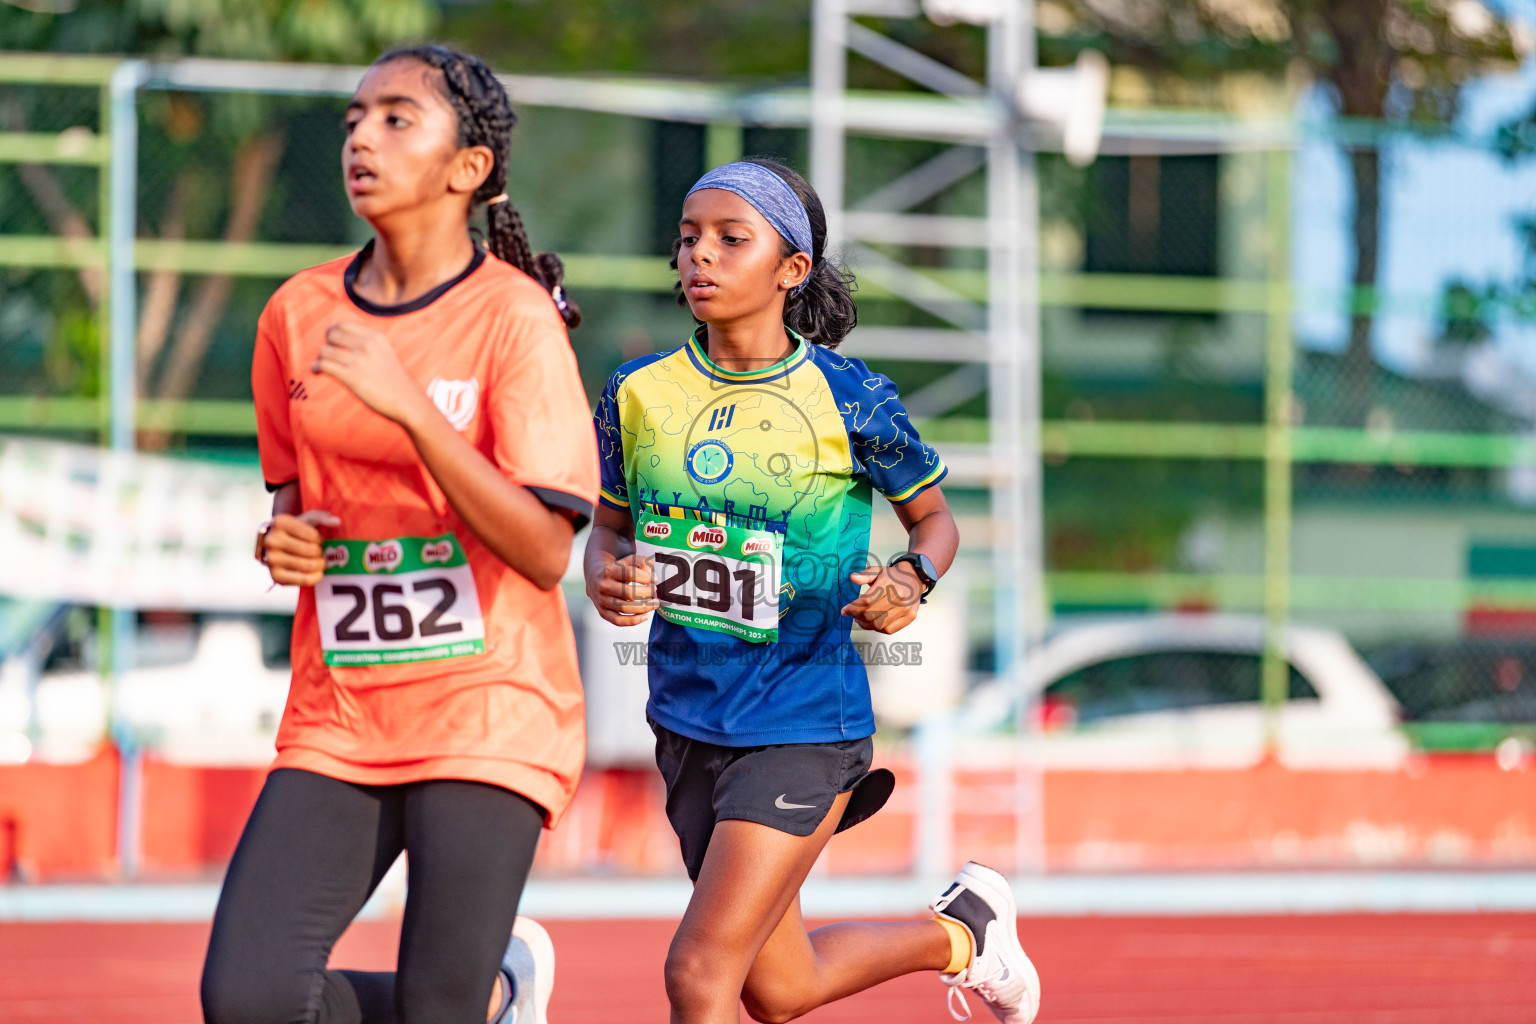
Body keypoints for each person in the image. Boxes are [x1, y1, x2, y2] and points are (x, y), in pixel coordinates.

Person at [584, 157, 1041, 1024]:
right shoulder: (637, 393)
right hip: (685, 718)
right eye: (687, 240)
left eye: (730, 239)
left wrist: (912, 579)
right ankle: (966, 939)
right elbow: (609, 528)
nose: (700, 258)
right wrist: (608, 574)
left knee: (697, 975)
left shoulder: (850, 397)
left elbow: (935, 520)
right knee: (778, 988)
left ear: (792, 270)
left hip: (803, 721)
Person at [200, 44, 596, 1024]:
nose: (362, 138)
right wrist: (280, 544)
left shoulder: (513, 321)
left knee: (436, 1008)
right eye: (352, 120)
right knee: (247, 1001)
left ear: (469, 169)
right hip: (346, 711)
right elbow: (296, 510)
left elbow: (548, 551)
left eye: (396, 119)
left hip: (488, 706)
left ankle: (482, 993)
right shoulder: (298, 313)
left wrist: (411, 407)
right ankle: (496, 1001)